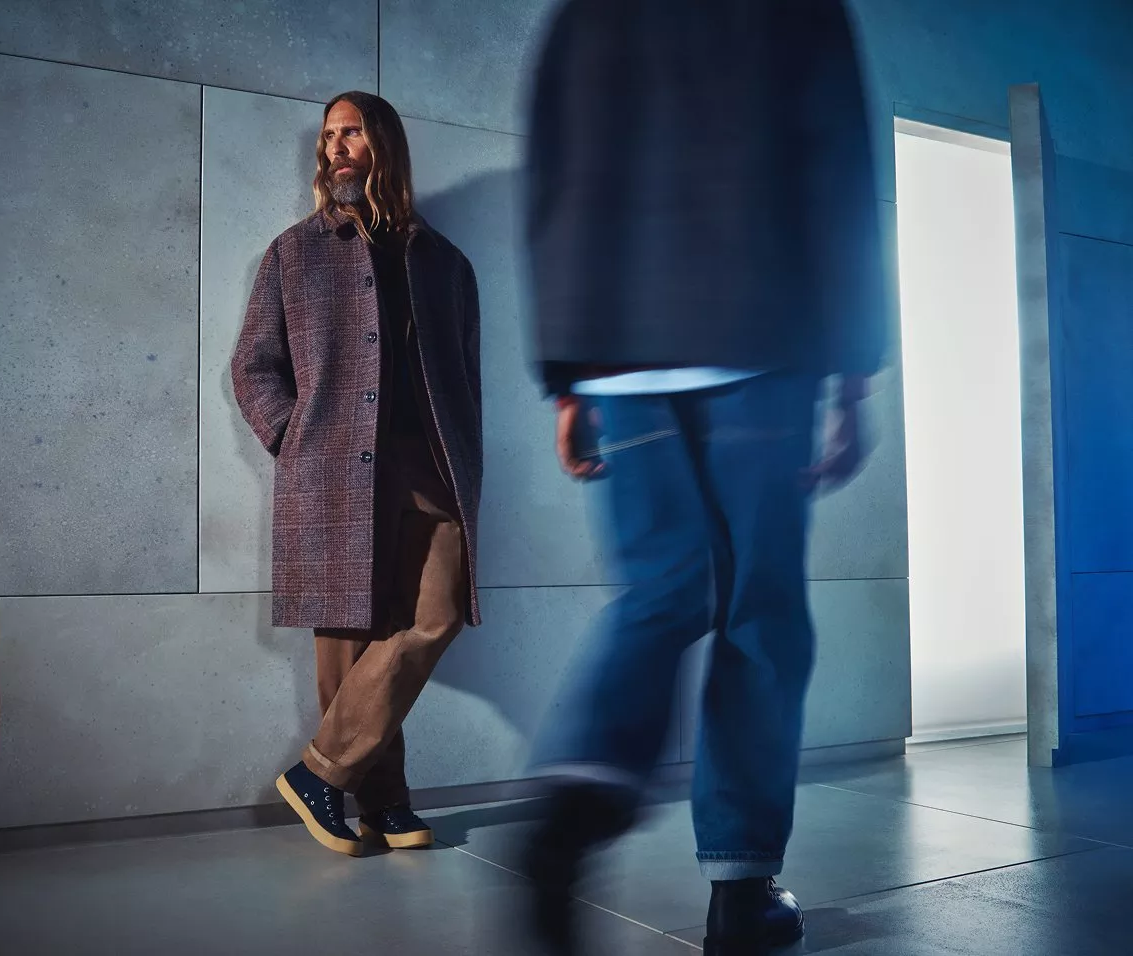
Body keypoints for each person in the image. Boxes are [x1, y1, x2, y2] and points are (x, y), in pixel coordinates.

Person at [520, 0, 886, 952]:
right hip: (757, 339)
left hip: (622, 354)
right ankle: (740, 886)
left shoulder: (586, 13)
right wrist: (855, 366)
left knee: (662, 589)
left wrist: (571, 376)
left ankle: (574, 802)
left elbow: (554, 181)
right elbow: (837, 167)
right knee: (758, 610)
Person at [231, 91, 482, 857]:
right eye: (329, 136)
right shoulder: (294, 252)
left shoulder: (444, 263)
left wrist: (466, 461)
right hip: (334, 466)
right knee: (349, 639)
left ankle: (320, 774)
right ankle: (383, 798)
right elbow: (254, 365)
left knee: (432, 617)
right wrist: (295, 436)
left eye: (353, 132)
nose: (336, 147)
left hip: (429, 466)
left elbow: (468, 377)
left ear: (385, 145)